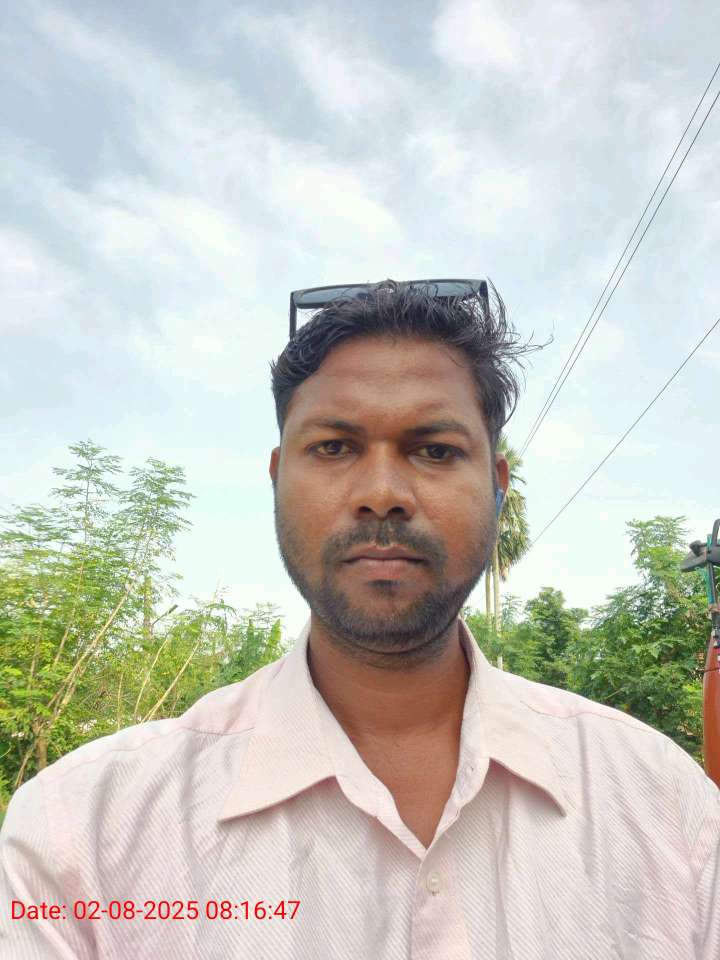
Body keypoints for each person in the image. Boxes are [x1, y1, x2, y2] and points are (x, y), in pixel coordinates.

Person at [1, 279, 718, 959]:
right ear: (278, 478)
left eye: (435, 450)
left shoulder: (663, 806)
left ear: (497, 486)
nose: (381, 493)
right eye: (334, 447)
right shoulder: (83, 836)